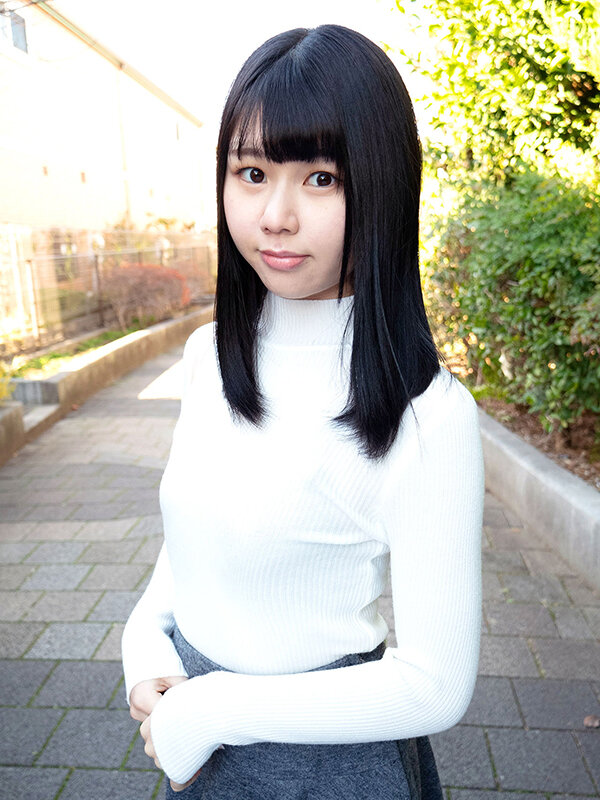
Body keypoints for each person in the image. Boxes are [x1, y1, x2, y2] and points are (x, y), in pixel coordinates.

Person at [121, 23, 484, 800]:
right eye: (252, 172)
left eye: (321, 178)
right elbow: (193, 537)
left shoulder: (430, 416)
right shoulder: (207, 355)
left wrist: (215, 708)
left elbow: (436, 685)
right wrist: (144, 642)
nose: (275, 216)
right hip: (195, 741)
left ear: (383, 185)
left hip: (333, 763)